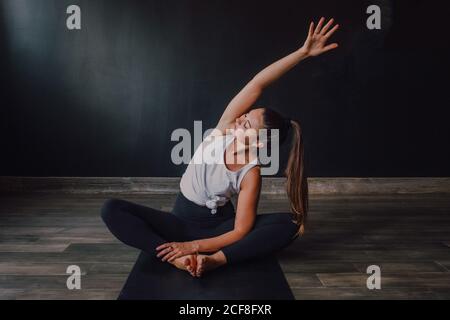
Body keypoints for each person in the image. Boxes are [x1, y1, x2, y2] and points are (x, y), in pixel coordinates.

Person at [101, 17, 339, 277]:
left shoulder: (251, 172)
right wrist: (302, 53)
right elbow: (257, 84)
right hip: (179, 221)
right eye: (244, 115)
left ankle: (214, 260)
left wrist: (198, 246)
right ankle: (175, 259)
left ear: (259, 142)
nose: (239, 119)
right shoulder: (223, 129)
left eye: (247, 124)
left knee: (290, 224)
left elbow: (239, 231)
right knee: (112, 209)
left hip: (219, 230)